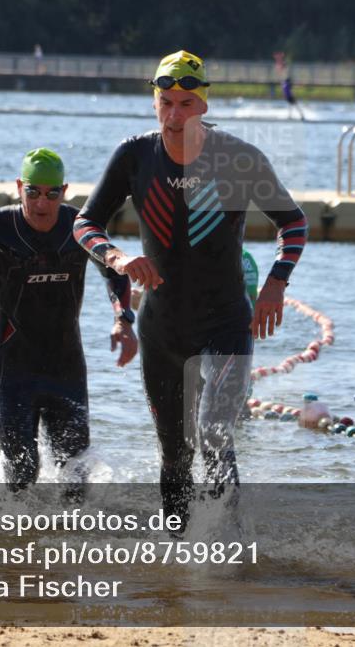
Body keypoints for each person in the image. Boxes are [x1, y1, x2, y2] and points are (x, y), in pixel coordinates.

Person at [73, 50, 308, 527]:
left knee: (214, 433)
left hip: (225, 325)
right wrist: (117, 258)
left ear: (203, 105)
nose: (175, 115)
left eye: (185, 104)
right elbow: (84, 224)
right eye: (166, 103)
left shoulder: (238, 158)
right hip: (162, 331)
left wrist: (275, 284)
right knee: (174, 454)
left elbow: (294, 223)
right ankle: (177, 553)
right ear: (154, 102)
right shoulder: (134, 156)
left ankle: (226, 545)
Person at [0, 148, 137, 492]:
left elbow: (115, 270)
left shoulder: (79, 227)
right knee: (21, 478)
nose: (41, 203)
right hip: (12, 370)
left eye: (51, 194)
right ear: (20, 187)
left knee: (76, 479)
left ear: (64, 192)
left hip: (66, 369)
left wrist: (123, 320)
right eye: (33, 192)